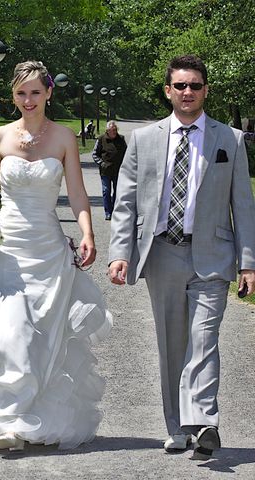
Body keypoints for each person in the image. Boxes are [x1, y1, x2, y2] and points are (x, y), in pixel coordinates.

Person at [0, 60, 112, 451]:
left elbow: (79, 193)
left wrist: (86, 232)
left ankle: (32, 416)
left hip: (47, 248)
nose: (28, 99)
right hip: (6, 246)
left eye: (35, 92)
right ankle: (8, 421)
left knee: (42, 334)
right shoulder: (0, 136)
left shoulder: (64, 138)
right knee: (9, 332)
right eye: (21, 93)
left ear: (49, 92)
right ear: (13, 96)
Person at [108, 54, 255, 460]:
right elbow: (126, 203)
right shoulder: (144, 140)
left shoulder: (230, 140)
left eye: (195, 85)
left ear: (206, 90)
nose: (187, 92)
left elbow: (243, 205)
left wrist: (248, 263)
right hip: (163, 255)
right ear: (168, 91)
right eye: (180, 85)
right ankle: (177, 428)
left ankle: (205, 421)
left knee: (204, 340)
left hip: (212, 255)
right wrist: (120, 253)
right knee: (173, 346)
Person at [92, 120, 127, 220]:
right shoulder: (101, 139)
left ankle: (115, 210)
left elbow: (127, 154)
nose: (114, 132)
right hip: (105, 171)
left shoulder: (121, 139)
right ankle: (108, 212)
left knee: (117, 192)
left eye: (115, 129)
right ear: (107, 130)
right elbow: (94, 154)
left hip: (118, 170)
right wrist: (101, 163)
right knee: (106, 191)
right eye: (112, 130)